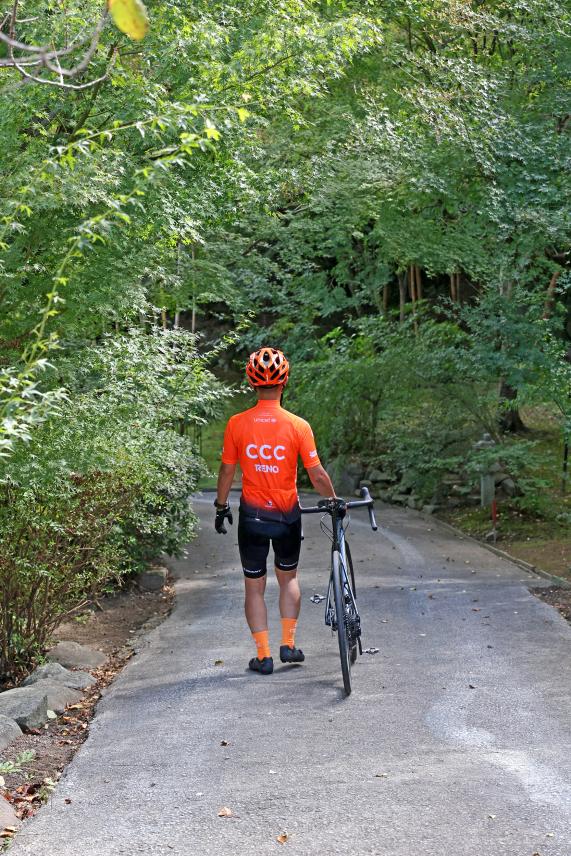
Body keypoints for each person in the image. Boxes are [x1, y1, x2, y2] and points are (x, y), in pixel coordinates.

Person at [214, 346, 337, 675]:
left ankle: (263, 655)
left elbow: (227, 471)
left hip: (252, 517)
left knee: (254, 586)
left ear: (252, 384)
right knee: (288, 579)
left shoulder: (236, 424)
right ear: (284, 383)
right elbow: (317, 474)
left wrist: (220, 505)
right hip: (287, 516)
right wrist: (333, 500)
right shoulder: (298, 426)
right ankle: (289, 645)